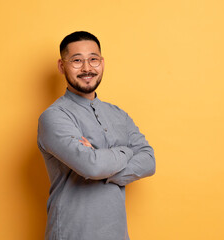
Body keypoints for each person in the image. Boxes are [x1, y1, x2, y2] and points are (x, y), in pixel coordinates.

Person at [37, 31, 155, 240]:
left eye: (93, 59)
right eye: (76, 61)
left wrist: (102, 165)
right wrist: (126, 151)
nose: (87, 68)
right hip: (72, 233)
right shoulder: (54, 117)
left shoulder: (118, 114)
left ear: (102, 63)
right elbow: (92, 166)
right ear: (61, 66)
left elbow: (148, 160)